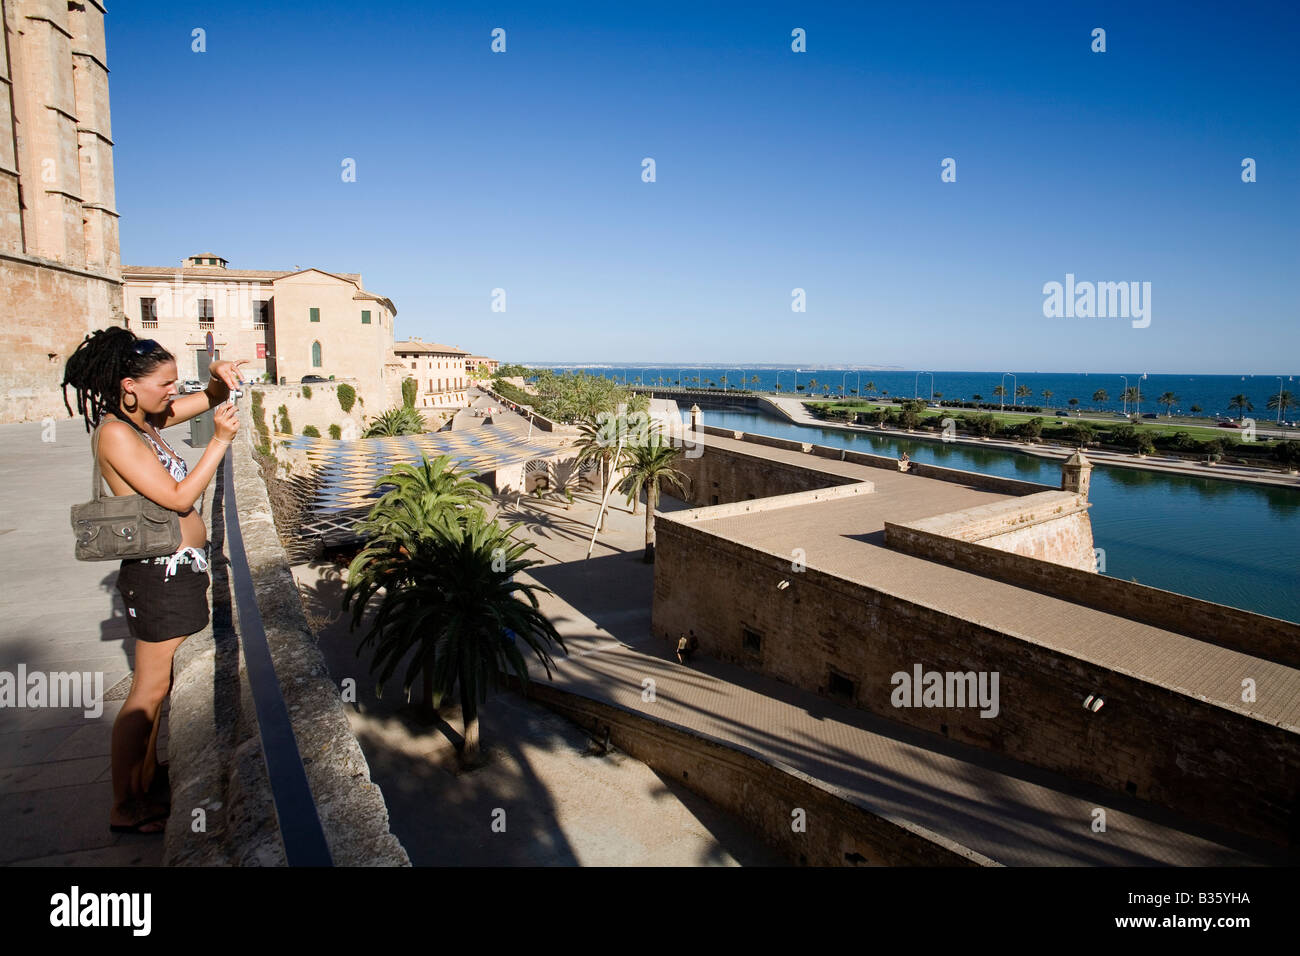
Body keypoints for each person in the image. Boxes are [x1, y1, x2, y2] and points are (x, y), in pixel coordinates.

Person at [61, 328, 246, 834]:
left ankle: (144, 780)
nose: (172, 390)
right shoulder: (117, 433)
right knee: (147, 690)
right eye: (164, 382)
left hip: (177, 571)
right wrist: (220, 441)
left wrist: (213, 380)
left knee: (159, 684)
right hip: (158, 574)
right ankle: (125, 803)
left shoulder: (143, 421)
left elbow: (206, 399)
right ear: (129, 386)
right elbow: (180, 497)